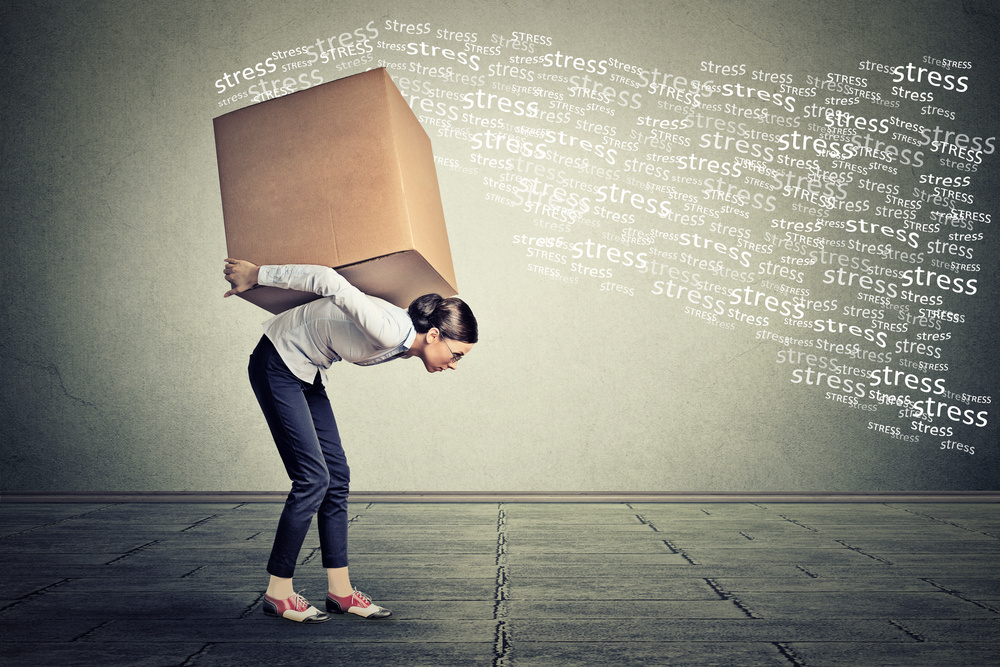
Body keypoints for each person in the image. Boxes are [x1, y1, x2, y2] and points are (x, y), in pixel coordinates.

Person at [223, 258, 478, 623]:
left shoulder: (405, 337)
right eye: (456, 355)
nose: (453, 365)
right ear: (434, 335)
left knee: (336, 478)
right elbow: (328, 279)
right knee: (312, 480)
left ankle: (340, 592)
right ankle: (278, 592)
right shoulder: (392, 331)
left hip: (306, 370)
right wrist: (256, 276)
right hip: (277, 364)